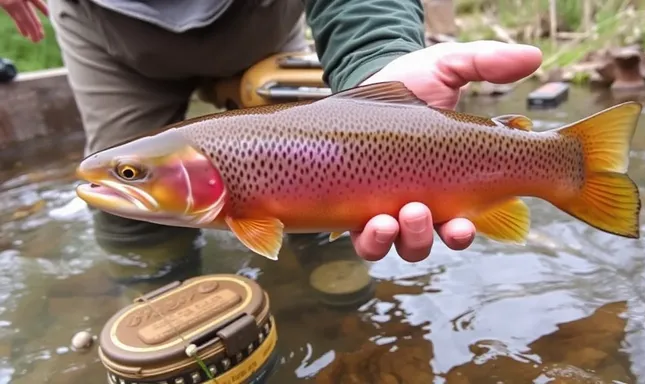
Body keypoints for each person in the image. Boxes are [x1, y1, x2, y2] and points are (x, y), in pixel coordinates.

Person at [1, 0, 542, 267]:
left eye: (129, 173)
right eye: (130, 173)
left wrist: (381, 58)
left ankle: (338, 299)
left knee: (324, 232)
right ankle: (155, 301)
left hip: (254, 19)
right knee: (122, 217)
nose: (122, 175)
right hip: (105, 29)